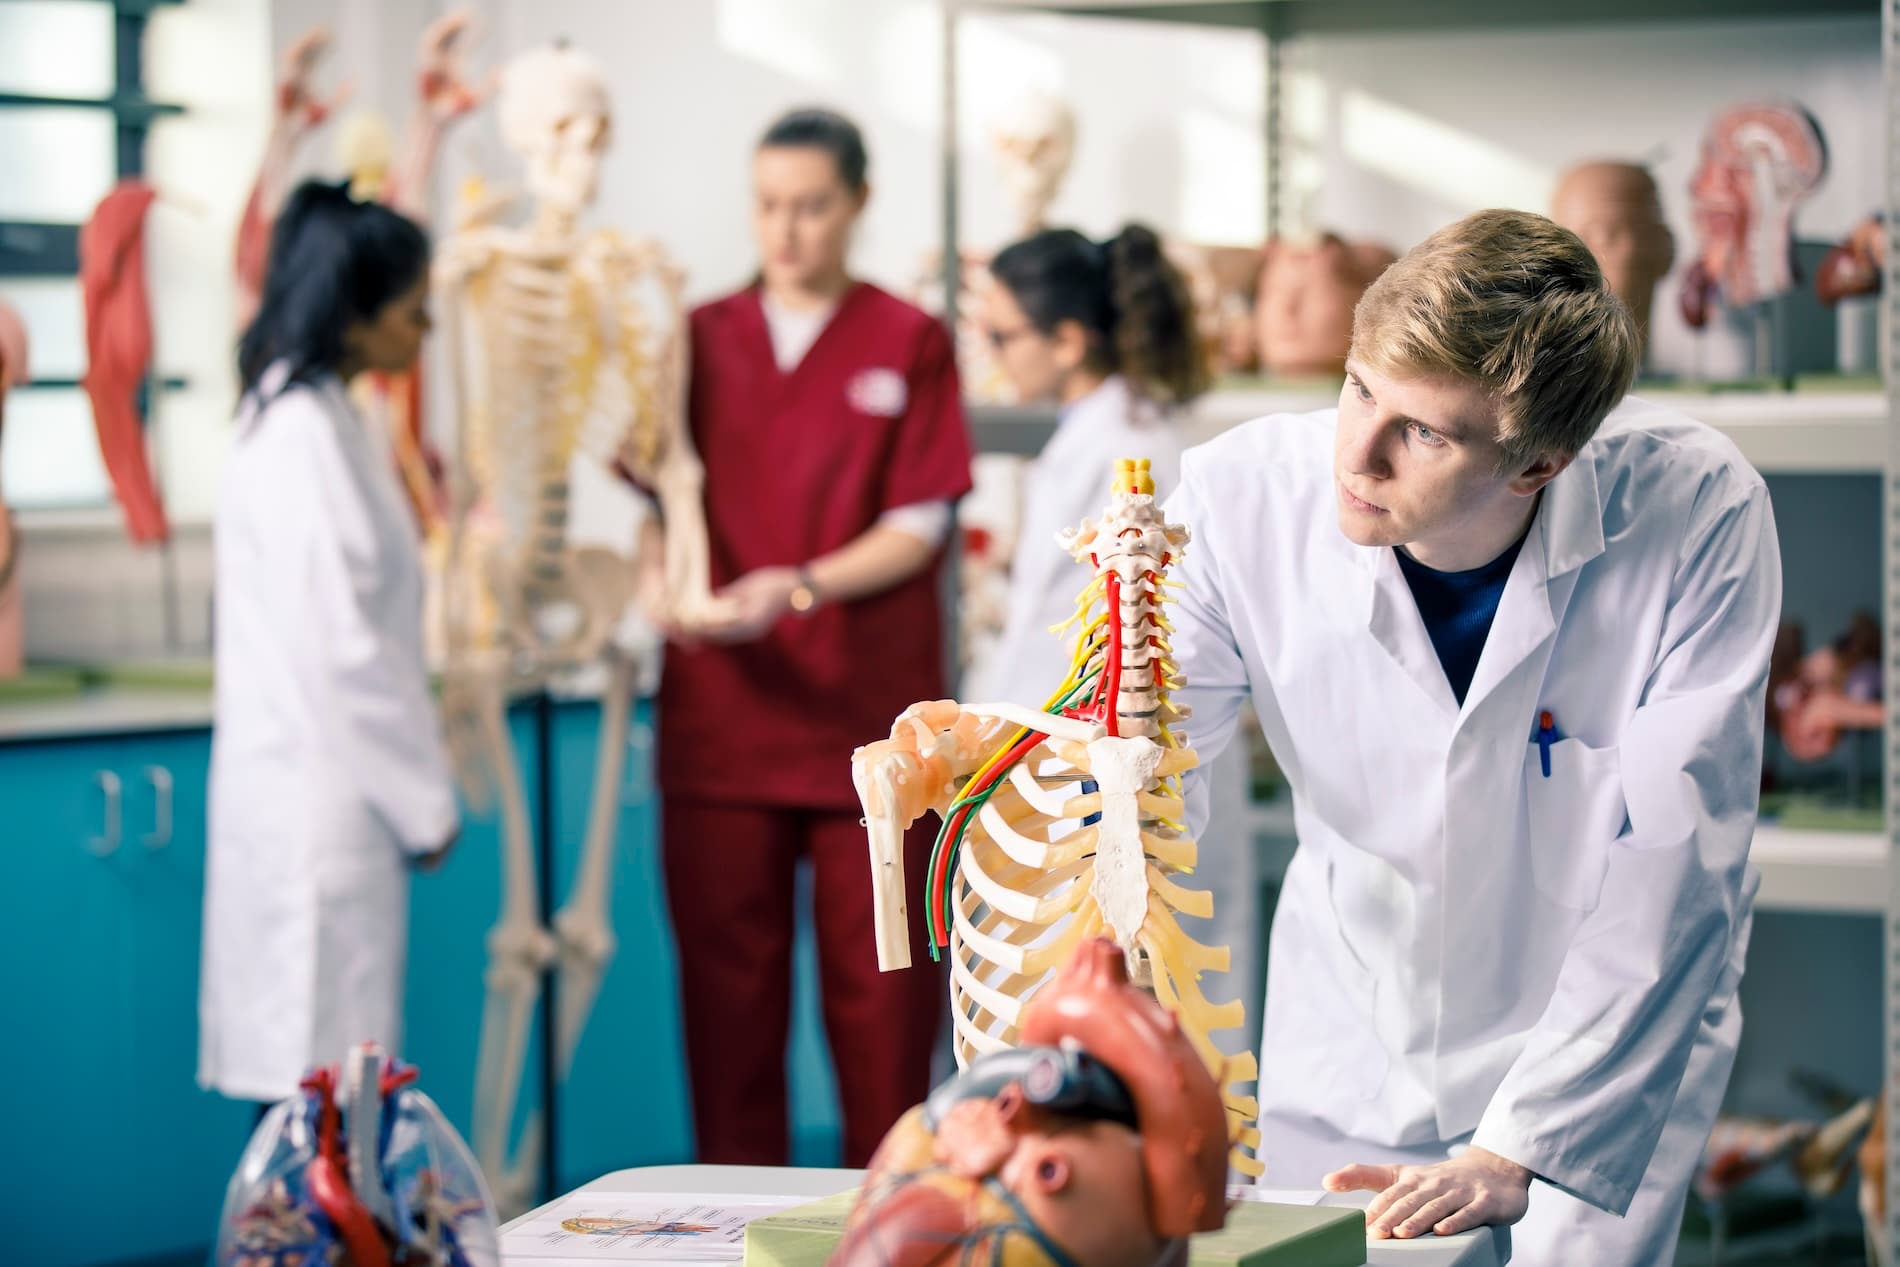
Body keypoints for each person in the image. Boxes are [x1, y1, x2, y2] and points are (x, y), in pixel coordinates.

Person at [1166, 209, 1779, 1261]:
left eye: (1424, 432)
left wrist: (1521, 1143)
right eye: (1358, 387)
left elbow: (1674, 867)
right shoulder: (1238, 497)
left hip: (1594, 1058)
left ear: (1538, 464)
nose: (1355, 455)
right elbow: (1143, 771)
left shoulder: (1695, 508)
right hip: (1350, 1035)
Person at [638, 108, 974, 1167]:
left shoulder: (907, 340)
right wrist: (659, 582)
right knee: (726, 1015)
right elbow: (657, 496)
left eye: (811, 206)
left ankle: (894, 1217)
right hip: (720, 730)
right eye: (768, 205)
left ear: (857, 205)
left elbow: (919, 527)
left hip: (865, 735)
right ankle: (734, 1233)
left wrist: (794, 587)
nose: (785, 230)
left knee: (882, 1007)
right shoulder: (692, 337)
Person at [964, 223, 1260, 1059]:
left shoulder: (1127, 445)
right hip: (1087, 759)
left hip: (1125, 761)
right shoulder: (1101, 434)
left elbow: (1073, 640)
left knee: (1152, 1014)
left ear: (1066, 341)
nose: (992, 358)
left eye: (1002, 336)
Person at [200, 181, 459, 1108]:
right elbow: (341, 649)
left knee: (333, 1096)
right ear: (356, 314)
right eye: (413, 309)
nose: (425, 328)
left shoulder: (323, 416)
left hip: (327, 799)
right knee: (321, 1101)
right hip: (319, 806)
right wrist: (426, 801)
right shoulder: (300, 434)